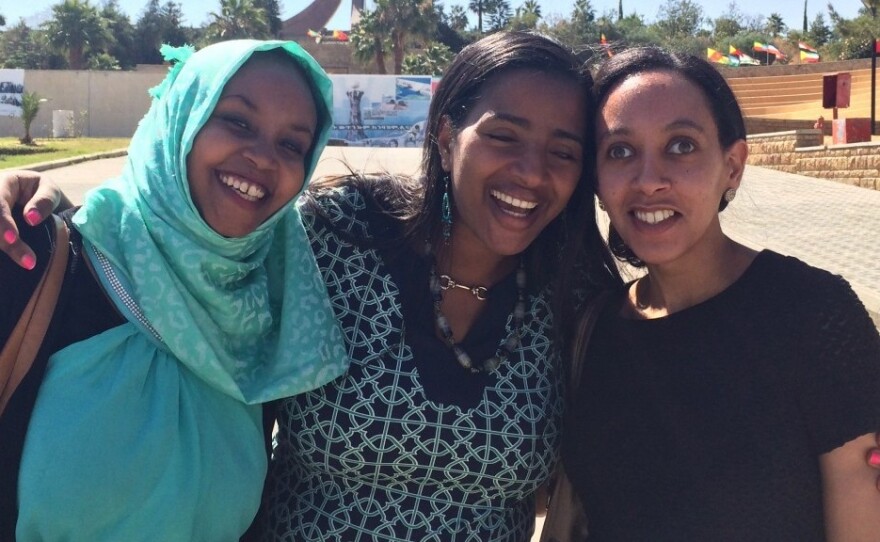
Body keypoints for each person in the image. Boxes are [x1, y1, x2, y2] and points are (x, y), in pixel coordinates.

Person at [1, 31, 622, 541]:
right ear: (444, 132)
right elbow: (180, 230)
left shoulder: (571, 297)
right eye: (504, 135)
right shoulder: (336, 238)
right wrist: (36, 200)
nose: (531, 171)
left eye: (563, 152)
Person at [0, 39, 348, 541]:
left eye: (292, 144)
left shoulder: (261, 317)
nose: (263, 158)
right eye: (237, 121)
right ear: (181, 118)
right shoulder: (30, 260)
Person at [561, 46, 880, 540]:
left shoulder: (814, 314)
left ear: (733, 165)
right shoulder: (591, 331)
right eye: (620, 151)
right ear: (597, 181)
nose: (649, 181)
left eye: (681, 145)